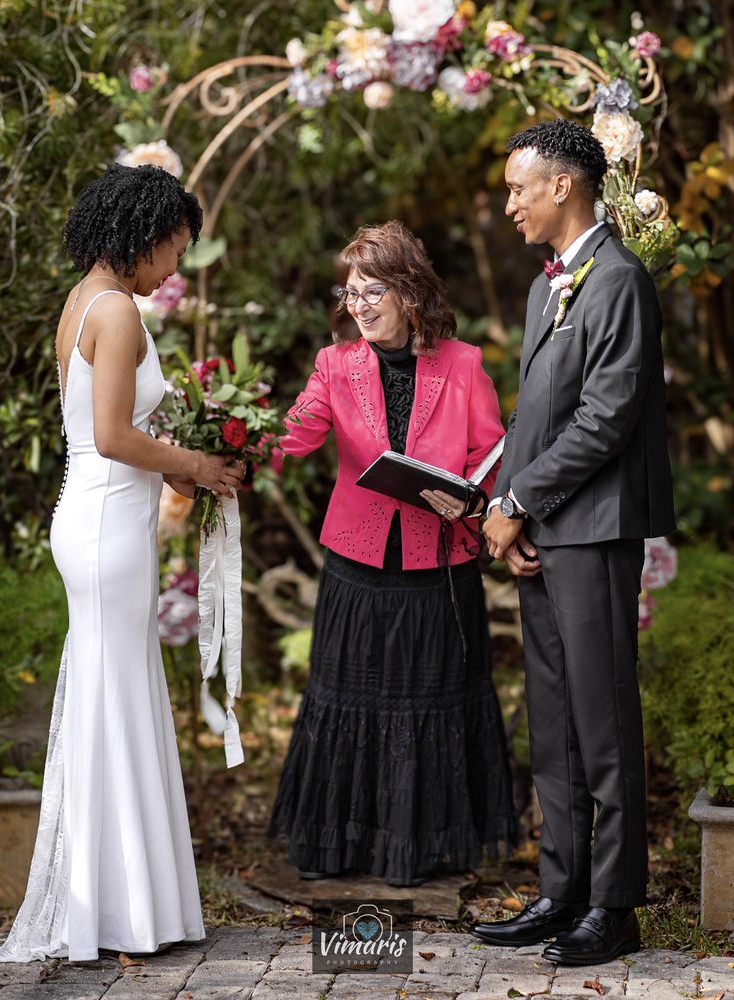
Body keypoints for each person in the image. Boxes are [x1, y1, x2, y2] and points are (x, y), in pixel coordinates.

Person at [0, 163, 244, 963]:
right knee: (114, 702)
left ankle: (124, 904)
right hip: (105, 523)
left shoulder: (85, 299)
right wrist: (196, 464)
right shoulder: (117, 312)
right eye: (173, 249)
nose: (173, 268)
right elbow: (110, 435)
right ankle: (115, 911)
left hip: (98, 517)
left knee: (116, 698)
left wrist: (173, 461)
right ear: (143, 235)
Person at [472, 119, 675, 964]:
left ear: (562, 186)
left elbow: (605, 418)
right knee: (552, 723)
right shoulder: (543, 288)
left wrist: (520, 500)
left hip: (594, 532)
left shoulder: (619, 279)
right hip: (547, 531)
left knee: (602, 720)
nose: (509, 204)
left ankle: (614, 906)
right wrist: (510, 510)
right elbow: (537, 418)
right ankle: (562, 892)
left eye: (517, 188)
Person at [268, 220, 517, 887]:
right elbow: (289, 440)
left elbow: (491, 458)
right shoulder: (334, 365)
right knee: (348, 699)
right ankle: (344, 845)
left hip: (440, 566)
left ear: (409, 292)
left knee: (432, 701)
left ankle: (424, 846)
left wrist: (470, 500)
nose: (358, 304)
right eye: (350, 292)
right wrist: (225, 445)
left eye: (372, 290)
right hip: (356, 566)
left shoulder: (463, 364)